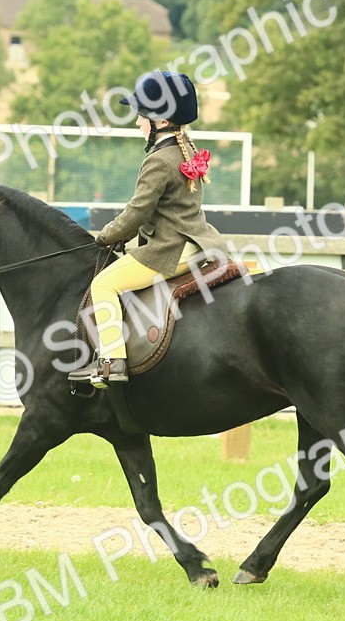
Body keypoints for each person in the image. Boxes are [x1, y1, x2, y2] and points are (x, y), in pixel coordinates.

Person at [67, 71, 226, 387]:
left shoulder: (159, 160)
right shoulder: (186, 150)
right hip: (198, 241)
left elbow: (137, 212)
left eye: (143, 116)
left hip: (168, 248)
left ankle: (112, 362)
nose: (138, 122)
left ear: (162, 121)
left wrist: (105, 236)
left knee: (104, 285)